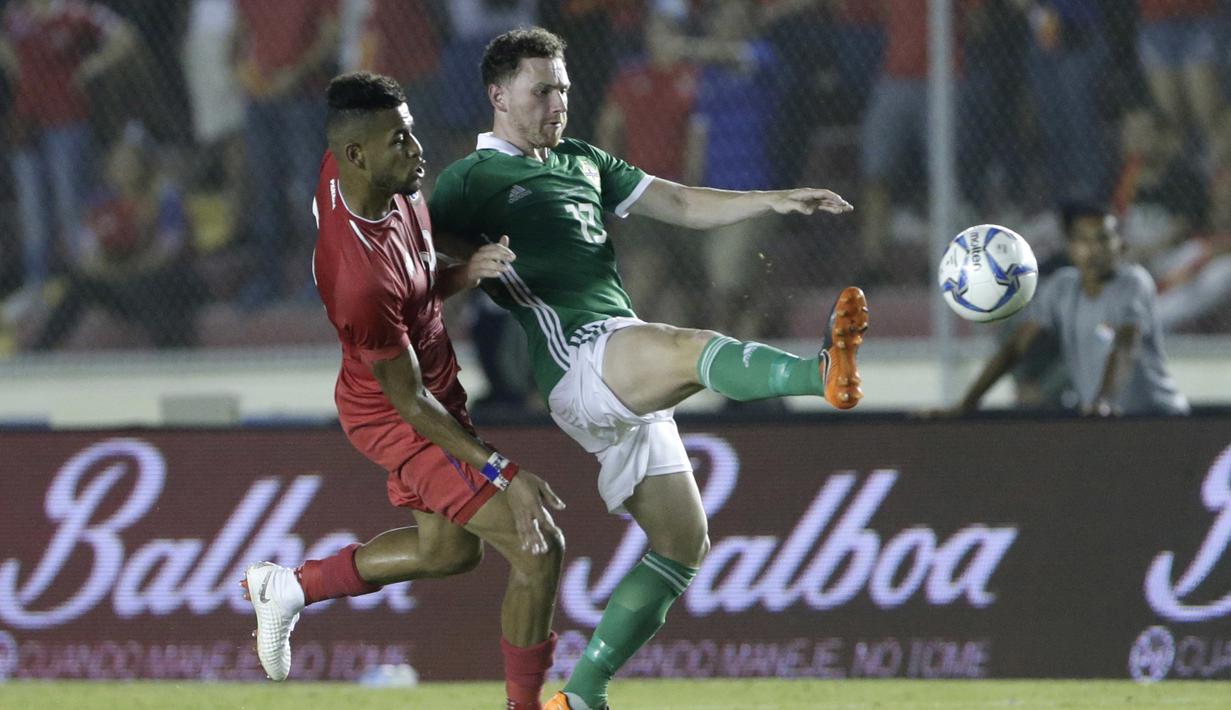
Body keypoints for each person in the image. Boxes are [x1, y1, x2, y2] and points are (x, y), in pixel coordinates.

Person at [428, 28, 866, 710]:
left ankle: (581, 695)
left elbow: (682, 202)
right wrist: (459, 269)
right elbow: (407, 251)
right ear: (497, 95)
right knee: (689, 346)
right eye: (541, 90)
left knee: (682, 544)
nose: (557, 103)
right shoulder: (471, 179)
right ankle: (818, 374)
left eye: (564, 89)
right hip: (577, 357)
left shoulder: (580, 160)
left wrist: (772, 198)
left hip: (617, 361)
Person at [241, 72, 566, 710]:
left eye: (411, 131)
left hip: (427, 390)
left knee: (448, 553)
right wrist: (502, 471)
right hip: (403, 414)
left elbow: (414, 289)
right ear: (358, 156)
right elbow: (411, 400)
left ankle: (292, 587)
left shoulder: (369, 173)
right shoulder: (357, 279)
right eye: (400, 140)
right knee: (539, 543)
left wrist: (463, 270)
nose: (416, 149)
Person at [950, 203, 1189, 417]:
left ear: (1121, 245)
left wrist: (1103, 401)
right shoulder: (1061, 287)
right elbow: (1015, 347)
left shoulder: (1133, 282)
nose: (1093, 249)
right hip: (1103, 420)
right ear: (1070, 247)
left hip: (1157, 417)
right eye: (1083, 240)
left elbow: (1125, 345)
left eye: (1103, 239)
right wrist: (969, 402)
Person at [32, 127, 205, 350]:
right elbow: (88, 256)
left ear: (144, 164)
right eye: (119, 163)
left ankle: (173, 351)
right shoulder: (102, 203)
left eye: (130, 162)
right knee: (78, 285)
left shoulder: (164, 198)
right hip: (118, 280)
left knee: (150, 285)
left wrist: (128, 270)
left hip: (161, 279)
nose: (124, 168)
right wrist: (112, 272)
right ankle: (39, 352)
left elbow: (168, 252)